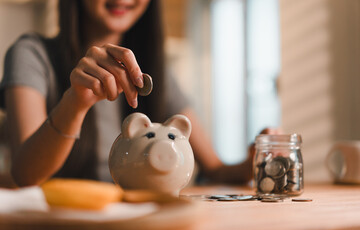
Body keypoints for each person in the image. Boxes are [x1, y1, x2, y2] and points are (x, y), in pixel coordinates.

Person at [0, 0, 253, 187]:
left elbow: (216, 169)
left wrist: (256, 161)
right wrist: (75, 103)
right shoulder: (31, 54)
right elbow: (25, 174)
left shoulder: (154, 69)